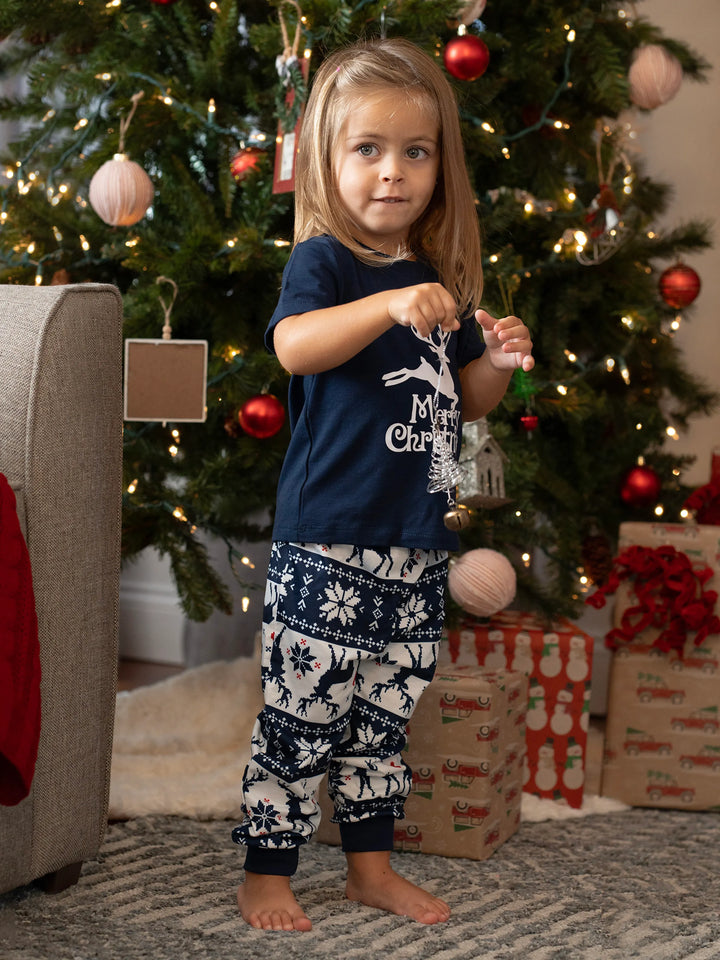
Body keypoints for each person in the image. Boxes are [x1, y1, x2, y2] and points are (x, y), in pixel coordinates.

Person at [232, 36, 534, 932]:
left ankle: (370, 869)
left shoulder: (433, 284)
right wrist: (385, 306)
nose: (392, 172)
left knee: (381, 721)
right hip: (328, 535)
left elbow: (461, 402)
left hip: (417, 537)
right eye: (368, 149)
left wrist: (501, 366)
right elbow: (293, 347)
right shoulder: (326, 264)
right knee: (302, 712)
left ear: (441, 164)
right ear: (329, 158)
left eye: (415, 151)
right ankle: (266, 869)